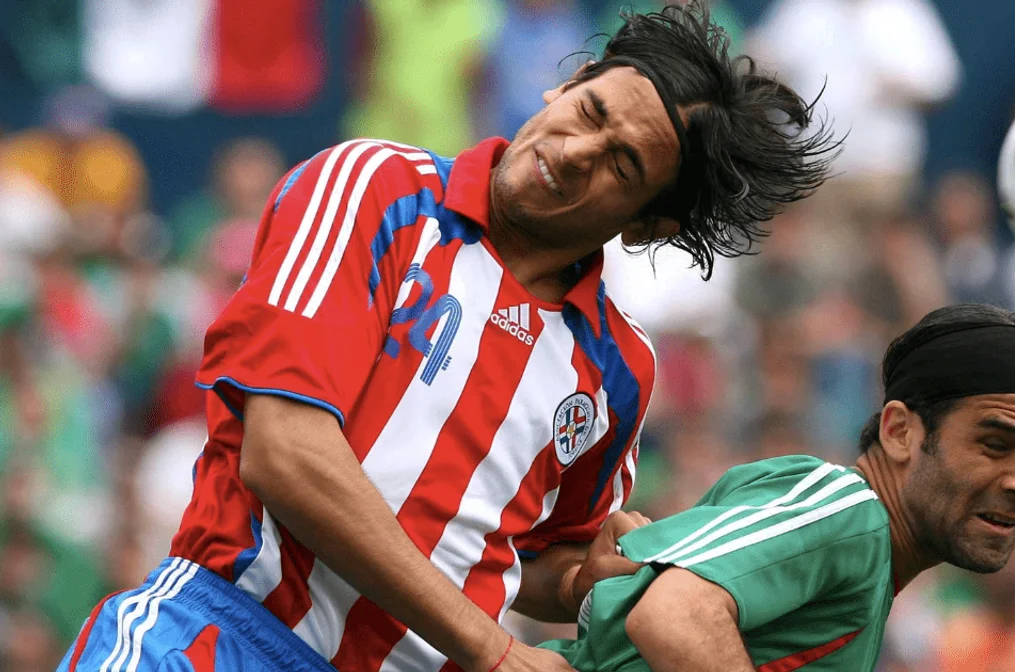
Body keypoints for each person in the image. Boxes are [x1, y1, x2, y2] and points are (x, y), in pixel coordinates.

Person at [58, 4, 836, 672]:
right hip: (215, 640)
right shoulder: (377, 188)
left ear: (648, 225)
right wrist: (491, 649)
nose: (573, 153)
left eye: (621, 165)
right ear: (565, 85)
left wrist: (582, 581)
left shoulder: (619, 370)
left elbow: (528, 557)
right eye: (591, 111)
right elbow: (284, 454)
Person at [538, 303, 1015, 671]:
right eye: (995, 444)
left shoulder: (864, 560)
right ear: (899, 432)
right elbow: (673, 615)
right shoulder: (850, 513)